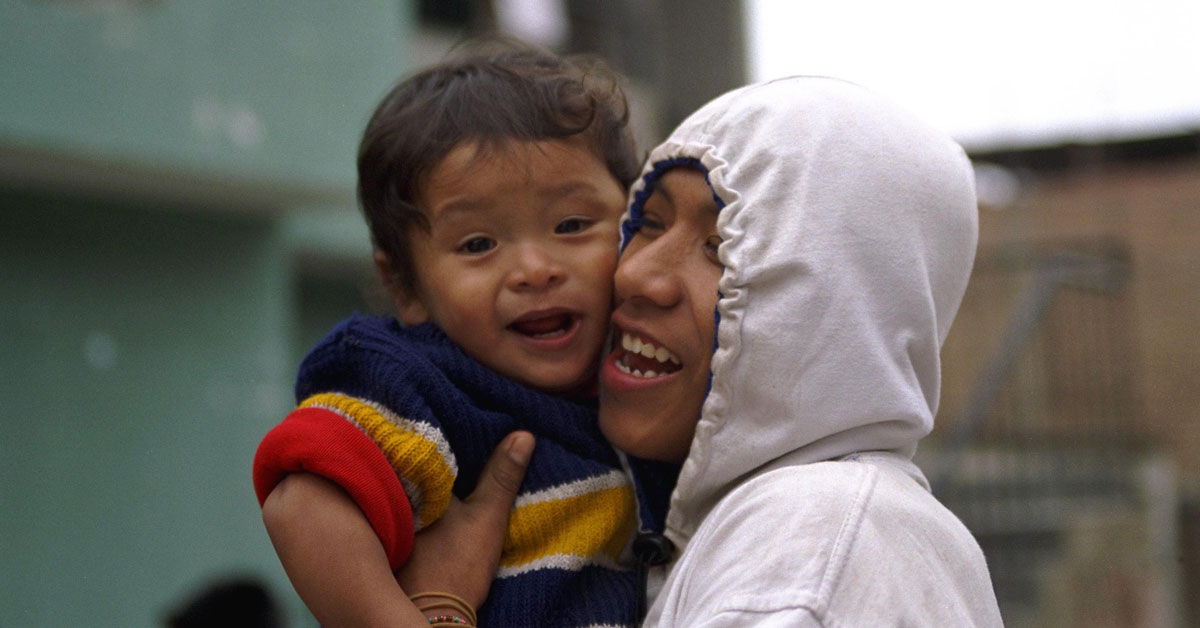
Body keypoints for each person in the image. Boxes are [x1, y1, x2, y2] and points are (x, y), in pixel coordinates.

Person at [252, 41, 652, 628]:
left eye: (572, 224)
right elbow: (303, 504)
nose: (535, 268)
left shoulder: (651, 379)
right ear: (407, 286)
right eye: (478, 245)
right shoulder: (433, 390)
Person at [591, 76, 1006, 626]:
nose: (634, 273)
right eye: (649, 223)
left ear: (835, 310)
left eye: (720, 248)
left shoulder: (809, 543)